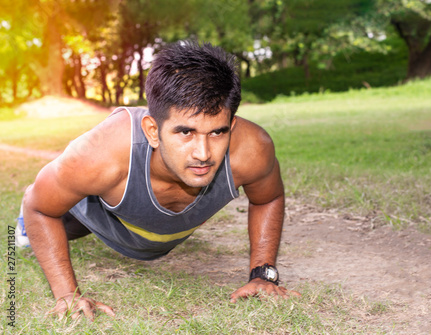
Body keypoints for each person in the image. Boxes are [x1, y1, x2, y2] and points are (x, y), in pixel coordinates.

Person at [19, 41, 298, 321]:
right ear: (153, 130)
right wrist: (67, 295)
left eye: (216, 133)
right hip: (92, 215)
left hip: (154, 231)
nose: (203, 154)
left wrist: (263, 275)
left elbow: (268, 197)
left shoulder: (252, 150)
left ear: (232, 127)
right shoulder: (100, 154)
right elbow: (40, 207)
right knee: (46, 222)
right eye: (185, 132)